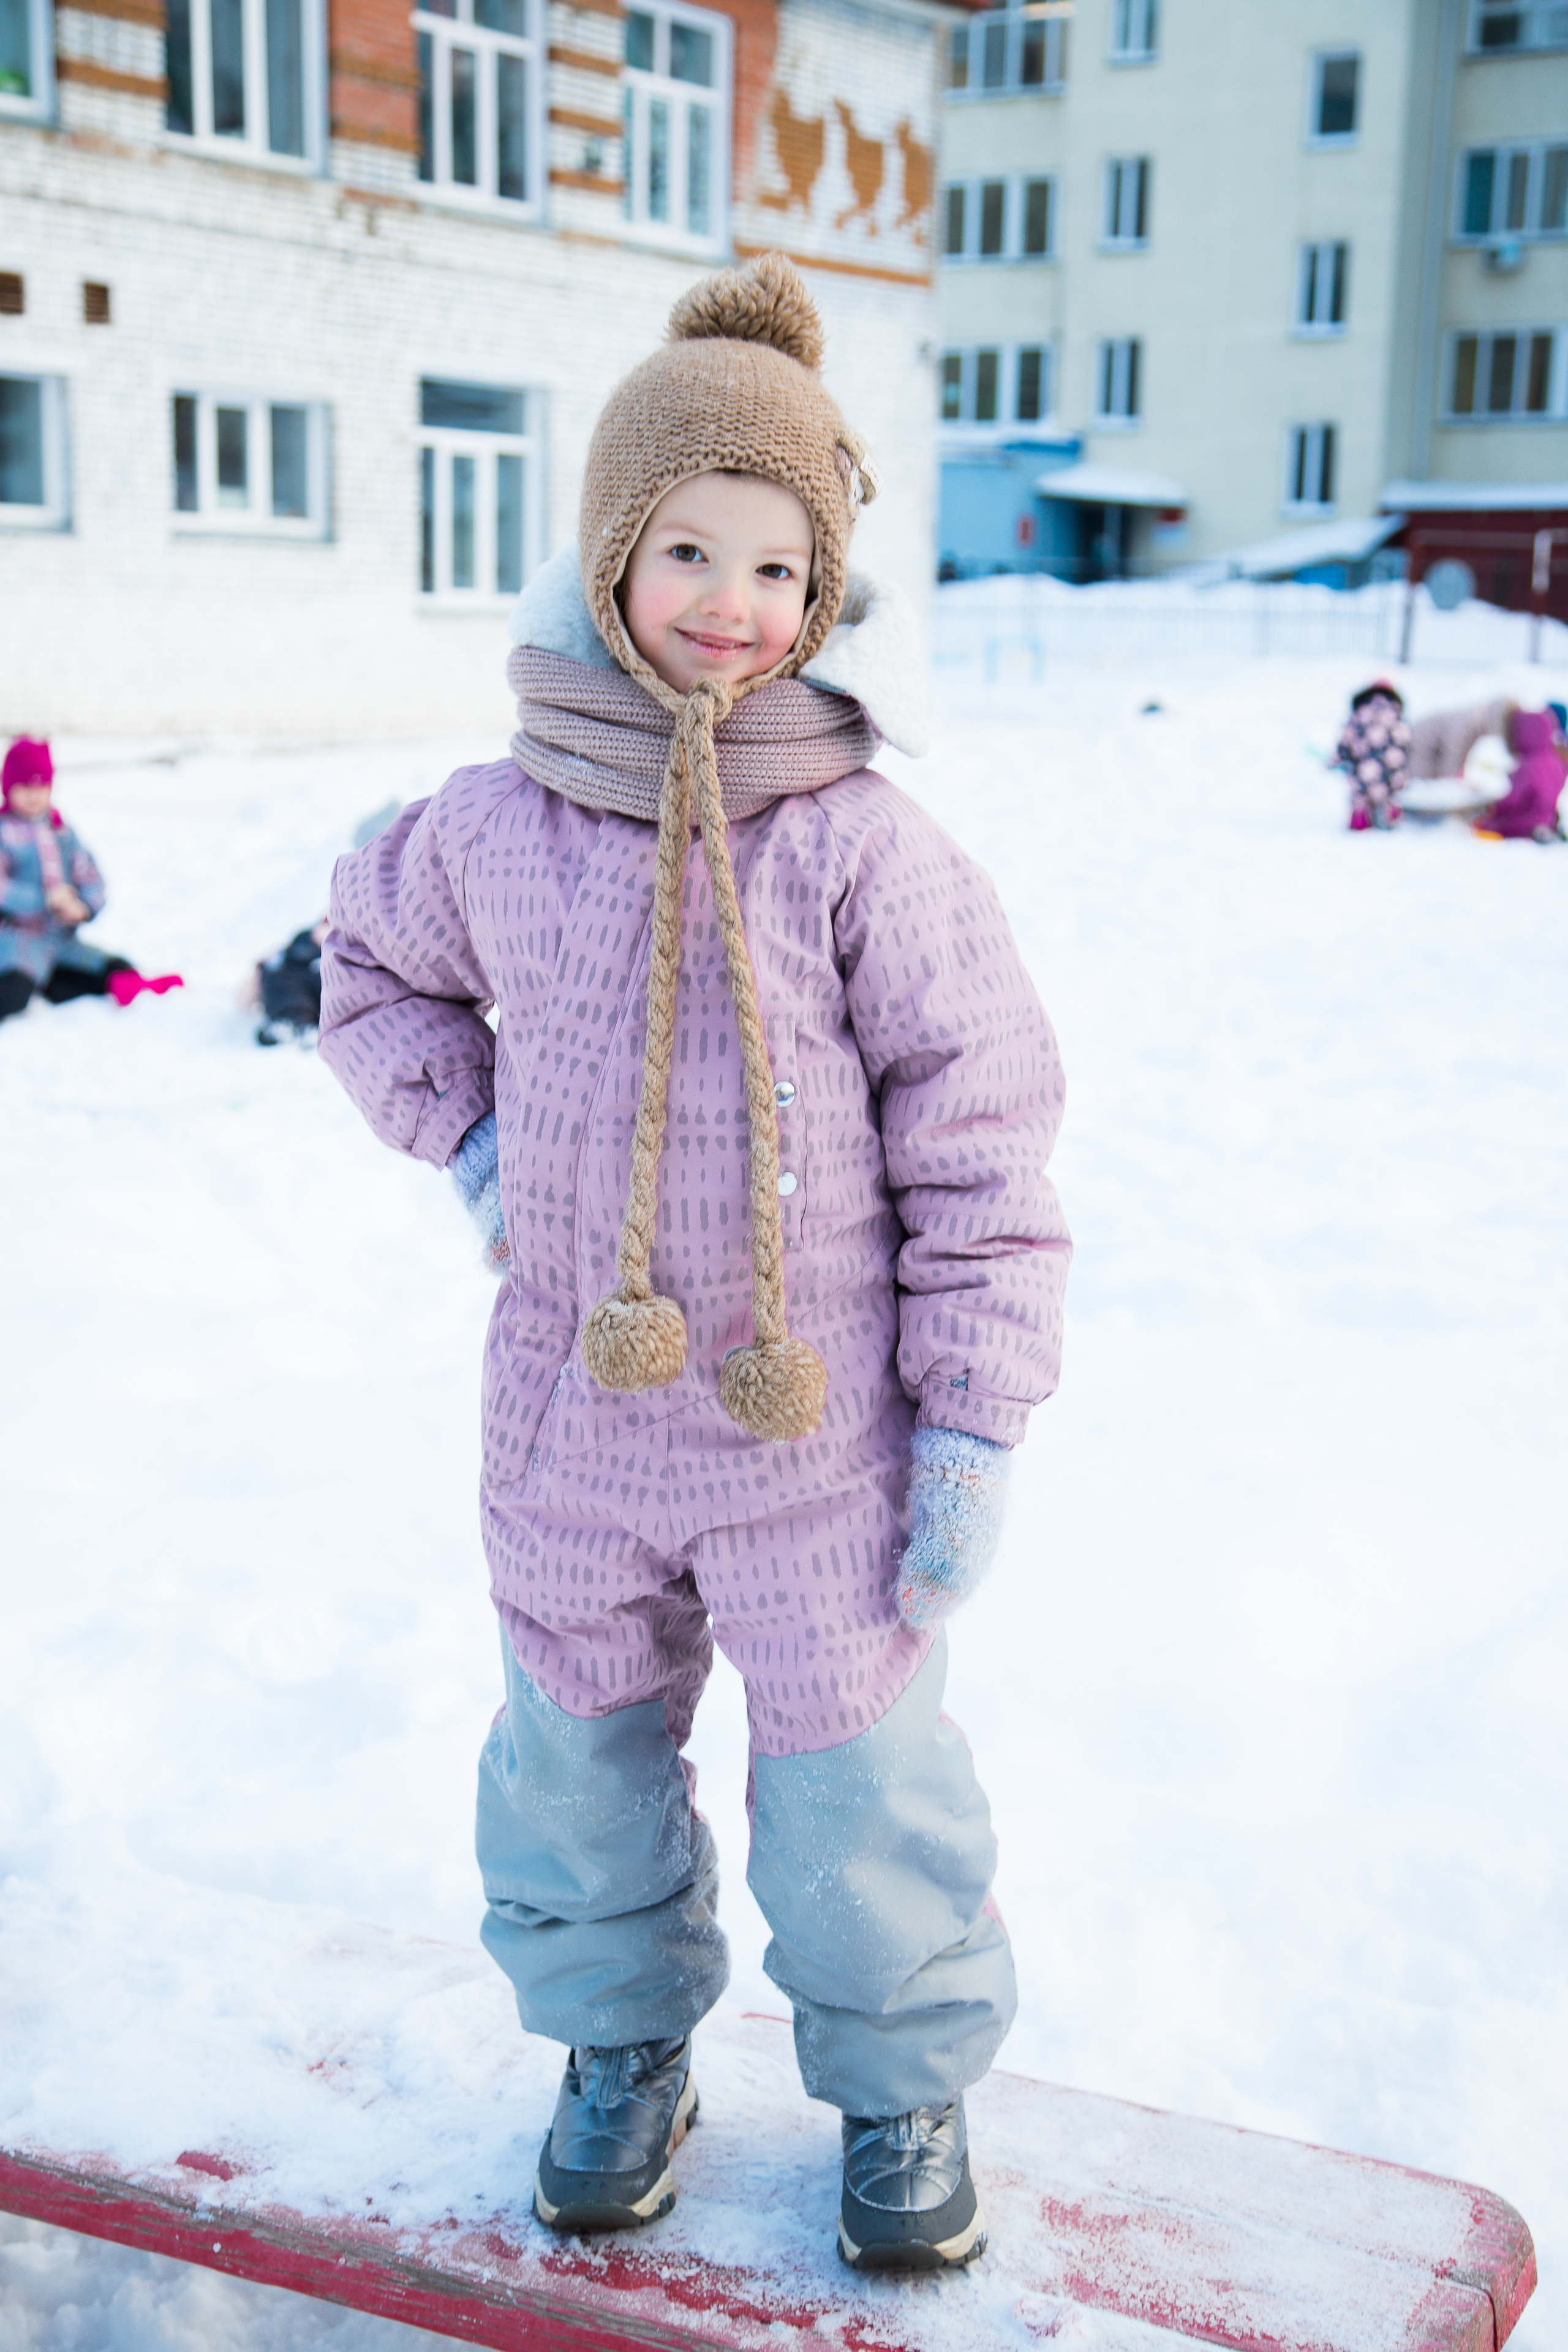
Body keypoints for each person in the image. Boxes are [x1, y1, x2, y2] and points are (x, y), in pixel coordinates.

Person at [318, 256, 1071, 2273]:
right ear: (606, 557)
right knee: (572, 1771)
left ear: (825, 600)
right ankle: (618, 2046)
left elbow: (985, 1146)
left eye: (778, 567)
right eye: (686, 553)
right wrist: (470, 1137)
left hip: (814, 1445)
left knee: (860, 1786)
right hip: (572, 1432)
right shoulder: (495, 825)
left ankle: (903, 2069)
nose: (732, 604)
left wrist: (978, 1420)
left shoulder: (865, 852)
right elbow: (363, 968)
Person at [0, 737, 179, 1022]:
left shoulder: (61, 831)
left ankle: (67, 985)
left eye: (41, 787)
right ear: (9, 788)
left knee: (118, 968)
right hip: (15, 944)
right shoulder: (5, 831)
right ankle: (36, 985)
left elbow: (90, 875)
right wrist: (45, 900)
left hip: (61, 942)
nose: (34, 796)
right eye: (25, 788)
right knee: (13, 993)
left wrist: (83, 906)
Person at [1473, 706, 1567, 843]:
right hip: (1549, 816)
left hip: (1527, 818)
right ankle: (1546, 829)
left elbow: (1516, 798)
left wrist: (1496, 806)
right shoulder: (1556, 761)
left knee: (1494, 824)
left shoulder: (1528, 765)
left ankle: (1537, 830)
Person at [1334, 680, 1412, 830]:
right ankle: (1391, 814)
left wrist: (1337, 759)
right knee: (1392, 793)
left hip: (1363, 770)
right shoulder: (1396, 716)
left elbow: (1346, 740)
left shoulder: (1359, 714)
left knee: (1360, 793)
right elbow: (1407, 743)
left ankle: (1361, 816)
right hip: (1390, 771)